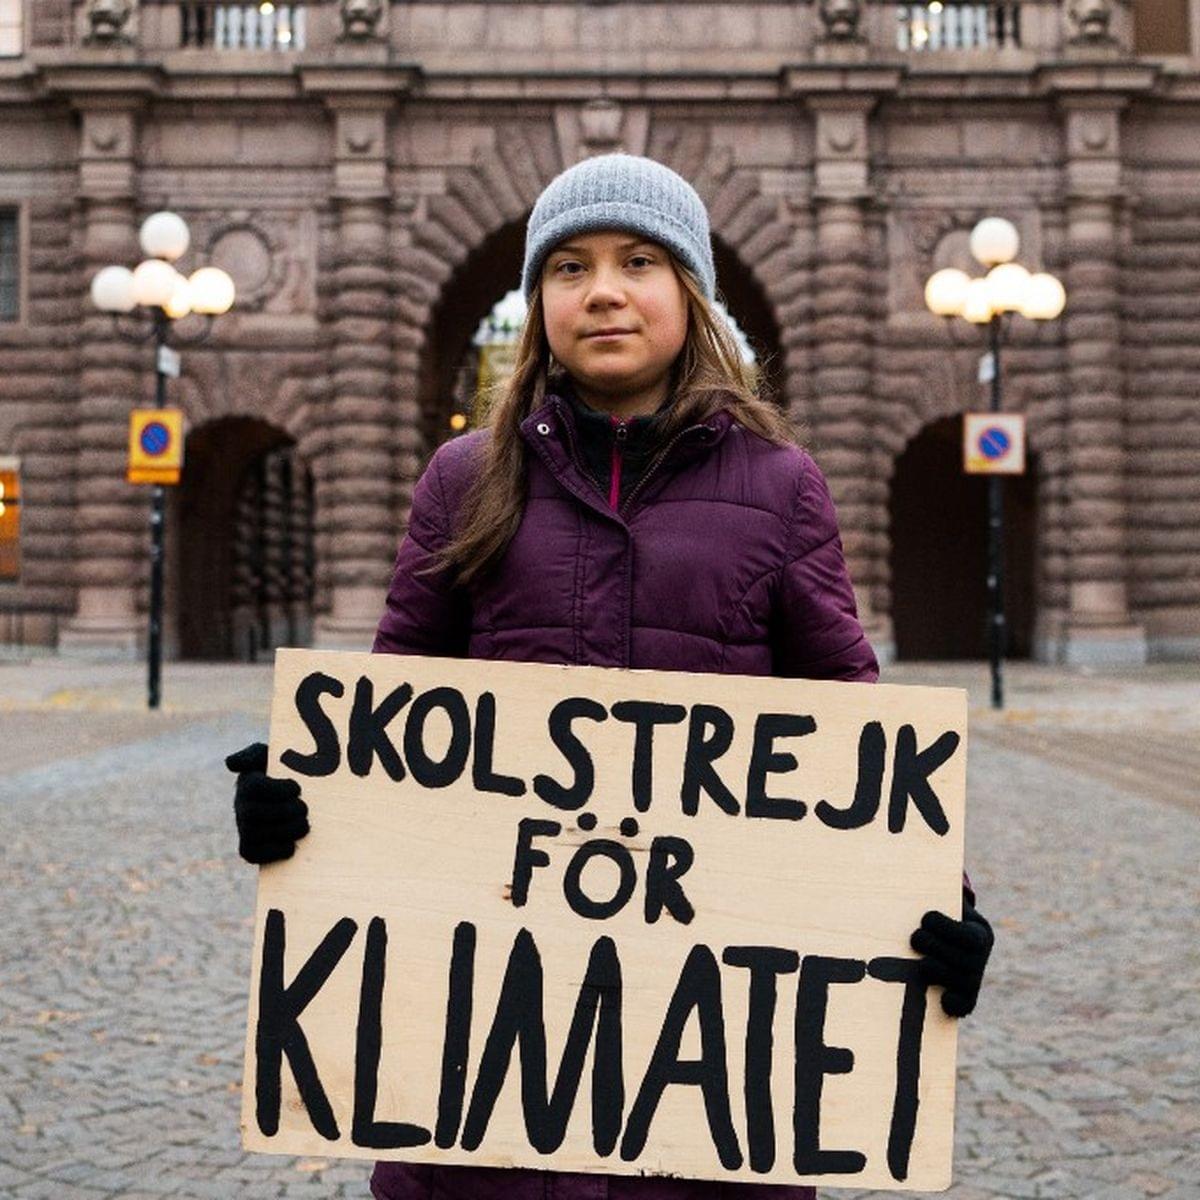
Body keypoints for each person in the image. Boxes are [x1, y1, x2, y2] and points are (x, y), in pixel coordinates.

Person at [228, 152, 994, 1200]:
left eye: (640, 261)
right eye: (568, 268)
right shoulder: (464, 480)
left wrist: (935, 905)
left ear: (692, 294)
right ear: (538, 300)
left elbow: (844, 726)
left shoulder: (781, 487)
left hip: (705, 1068)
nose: (603, 291)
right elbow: (395, 700)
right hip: (489, 1057)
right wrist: (296, 807)